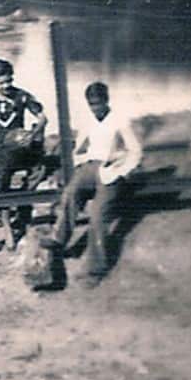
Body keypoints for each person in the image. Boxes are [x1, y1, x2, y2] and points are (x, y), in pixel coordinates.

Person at [40, 81, 143, 283]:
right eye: (92, 104)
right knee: (70, 193)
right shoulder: (88, 120)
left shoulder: (120, 121)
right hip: (90, 166)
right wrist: (78, 163)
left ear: (106, 101)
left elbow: (136, 152)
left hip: (111, 171)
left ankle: (96, 269)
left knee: (97, 215)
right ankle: (58, 239)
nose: (95, 108)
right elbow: (78, 148)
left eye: (98, 103)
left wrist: (121, 172)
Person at [0, 58, 48, 236]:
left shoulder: (22, 96)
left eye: (9, 81)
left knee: (40, 165)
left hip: (16, 145)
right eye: (1, 83)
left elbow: (43, 118)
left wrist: (33, 134)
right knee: (0, 173)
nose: (7, 86)